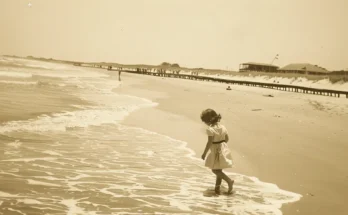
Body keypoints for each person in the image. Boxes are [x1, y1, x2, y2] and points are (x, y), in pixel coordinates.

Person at [200, 109, 234, 195]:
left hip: (215, 150)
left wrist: (204, 153)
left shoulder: (210, 129)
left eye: (205, 121)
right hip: (223, 148)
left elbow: (209, 142)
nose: (205, 123)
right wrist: (222, 146)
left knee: (215, 170)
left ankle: (229, 181)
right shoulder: (223, 127)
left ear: (209, 120)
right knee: (219, 170)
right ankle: (217, 189)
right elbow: (227, 139)